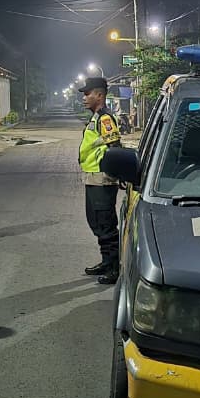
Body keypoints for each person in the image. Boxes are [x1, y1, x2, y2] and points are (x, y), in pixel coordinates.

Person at [78, 77, 122, 284]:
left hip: (103, 178)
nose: (84, 98)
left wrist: (119, 173)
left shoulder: (105, 118)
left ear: (100, 95)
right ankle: (106, 261)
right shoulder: (96, 117)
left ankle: (114, 268)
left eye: (88, 94)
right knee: (95, 221)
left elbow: (115, 147)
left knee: (105, 223)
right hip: (93, 176)